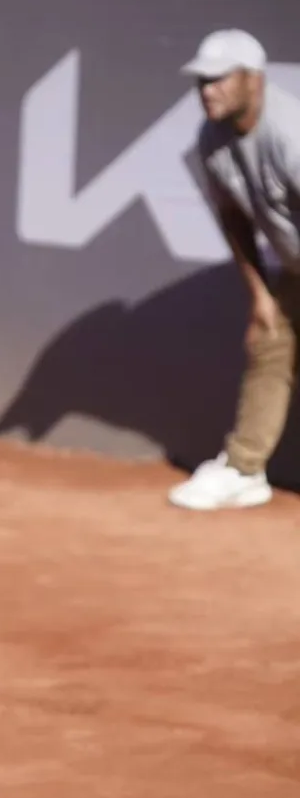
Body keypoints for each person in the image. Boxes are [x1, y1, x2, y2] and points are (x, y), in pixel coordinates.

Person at [168, 29, 300, 511]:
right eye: (202, 81)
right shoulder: (212, 137)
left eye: (219, 79)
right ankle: (245, 470)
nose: (207, 90)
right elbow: (234, 218)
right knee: (270, 340)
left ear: (253, 80)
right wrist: (262, 296)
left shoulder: (292, 135)